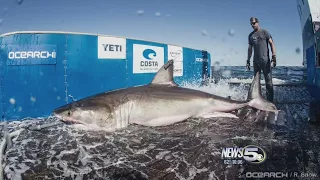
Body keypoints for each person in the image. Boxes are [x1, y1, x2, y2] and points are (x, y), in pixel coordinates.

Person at [246, 17, 277, 102]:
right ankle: (258, 101)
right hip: (256, 62)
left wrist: (274, 56)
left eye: (254, 23)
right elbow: (250, 49)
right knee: (256, 82)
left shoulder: (265, 32)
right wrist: (248, 60)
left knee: (269, 83)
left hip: (265, 61)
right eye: (251, 24)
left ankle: (270, 102)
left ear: (258, 22)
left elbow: (271, 43)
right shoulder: (250, 36)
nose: (253, 25)